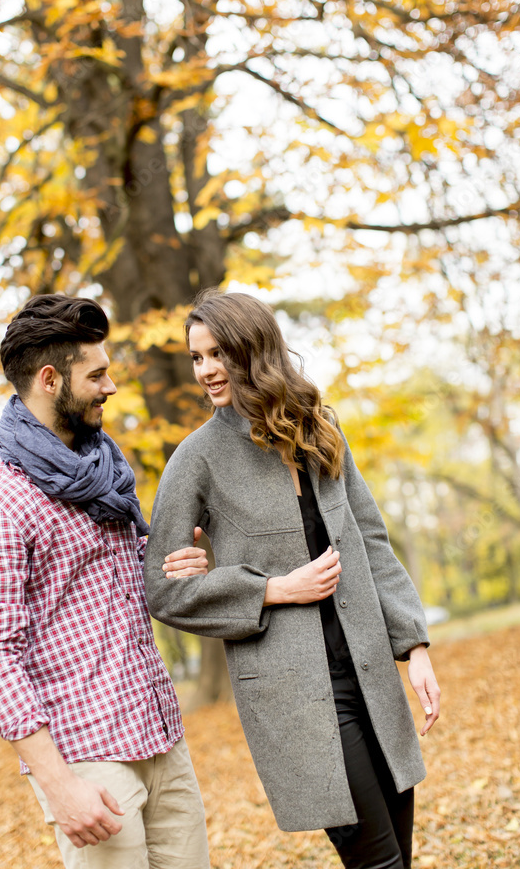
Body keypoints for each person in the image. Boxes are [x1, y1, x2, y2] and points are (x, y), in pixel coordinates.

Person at [143, 289, 441, 869]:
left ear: (253, 349)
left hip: (370, 672)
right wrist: (273, 589)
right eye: (196, 357)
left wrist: (416, 646)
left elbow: (370, 540)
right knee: (377, 861)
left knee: (399, 854)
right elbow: (163, 588)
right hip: (297, 696)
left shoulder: (319, 429)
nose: (204, 370)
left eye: (215, 354)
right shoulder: (195, 459)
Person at [0, 294, 211, 869]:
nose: (111, 386)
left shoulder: (102, 469)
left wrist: (175, 561)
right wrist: (58, 784)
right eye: (96, 374)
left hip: (160, 734)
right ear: (50, 379)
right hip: (87, 758)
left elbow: (123, 578)